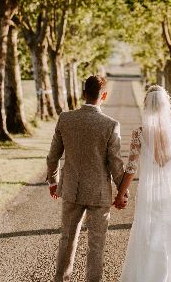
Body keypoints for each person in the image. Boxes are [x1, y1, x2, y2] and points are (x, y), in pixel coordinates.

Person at [114, 85, 171, 282]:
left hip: (149, 195)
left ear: (147, 105)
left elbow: (131, 168)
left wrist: (121, 193)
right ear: (167, 107)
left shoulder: (140, 133)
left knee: (149, 237)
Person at [46, 75, 127, 282]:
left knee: (67, 238)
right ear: (104, 95)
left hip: (71, 189)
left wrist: (53, 182)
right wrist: (122, 191)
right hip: (99, 193)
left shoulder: (66, 118)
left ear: (84, 93)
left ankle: (60, 279)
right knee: (96, 245)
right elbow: (115, 164)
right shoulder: (110, 125)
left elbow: (53, 155)